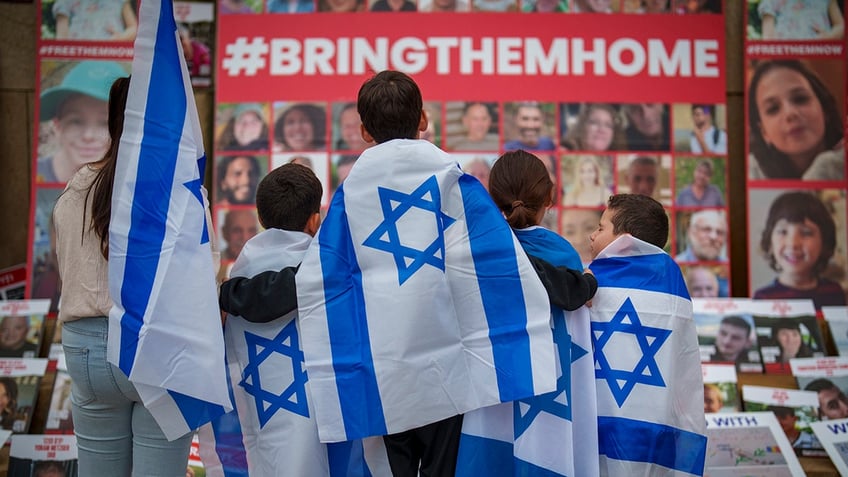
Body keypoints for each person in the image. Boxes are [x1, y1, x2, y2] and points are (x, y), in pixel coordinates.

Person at [52, 77, 194, 475]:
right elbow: (198, 281)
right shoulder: (176, 190)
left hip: (85, 351)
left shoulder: (76, 185)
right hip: (155, 347)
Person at [748, 60, 844, 181]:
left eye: (800, 99)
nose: (790, 113)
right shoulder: (751, 172)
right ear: (764, 132)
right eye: (773, 109)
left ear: (825, 109)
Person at [753, 191, 846, 310]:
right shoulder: (764, 298)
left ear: (824, 242)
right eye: (783, 232)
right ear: (770, 243)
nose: (793, 244)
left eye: (806, 233)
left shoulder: (834, 292)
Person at [38, 60, 127, 183]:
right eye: (76, 121)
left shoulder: (132, 187)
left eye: (105, 123)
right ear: (57, 127)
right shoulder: (33, 176)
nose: (88, 135)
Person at [589, 193, 669, 258]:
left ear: (624, 243)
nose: (592, 236)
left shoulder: (596, 277)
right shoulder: (669, 274)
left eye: (600, 229)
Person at [53, 0, 137, 40]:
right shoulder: (65, 2)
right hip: (79, 56)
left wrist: (120, 38)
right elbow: (61, 37)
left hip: (112, 54)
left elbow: (133, 28)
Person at [759, 0, 844, 40]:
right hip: (787, 54)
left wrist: (830, 36)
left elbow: (841, 25)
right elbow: (768, 37)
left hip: (820, 52)